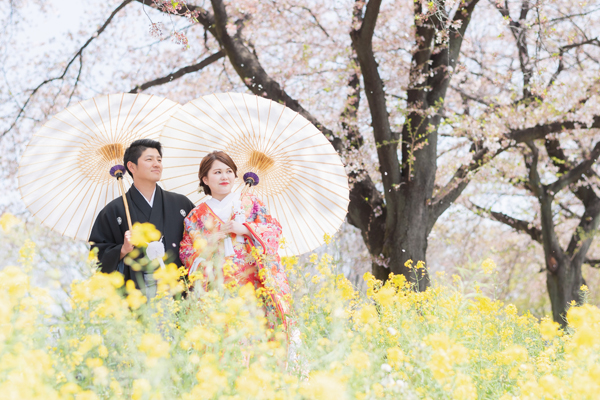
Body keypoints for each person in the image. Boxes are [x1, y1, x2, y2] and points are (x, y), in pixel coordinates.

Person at [179, 151, 293, 332]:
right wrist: (210, 241)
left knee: (253, 339)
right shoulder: (196, 215)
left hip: (252, 284)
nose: (224, 176)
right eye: (217, 172)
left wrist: (246, 229)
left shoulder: (250, 202)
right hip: (217, 287)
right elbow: (186, 251)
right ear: (205, 180)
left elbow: (273, 230)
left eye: (229, 171)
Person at [89, 139, 195, 297]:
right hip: (138, 292)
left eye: (159, 160)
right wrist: (123, 249)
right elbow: (97, 256)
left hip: (177, 286)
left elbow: (197, 242)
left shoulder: (180, 203)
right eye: (149, 159)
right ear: (131, 166)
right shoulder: (114, 210)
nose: (157, 164)